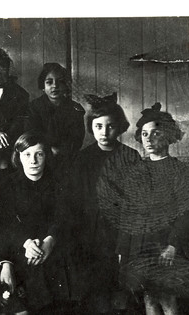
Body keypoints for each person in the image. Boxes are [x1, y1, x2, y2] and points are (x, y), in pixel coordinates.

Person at [98, 103, 189, 315]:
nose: (148, 138)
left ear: (169, 136)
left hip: (166, 245)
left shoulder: (180, 172)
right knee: (148, 296)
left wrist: (173, 244)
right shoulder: (136, 171)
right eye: (144, 133)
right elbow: (127, 213)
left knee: (166, 297)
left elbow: (188, 214)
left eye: (155, 133)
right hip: (139, 245)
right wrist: (122, 250)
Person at [71, 92, 142, 314]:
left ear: (120, 127)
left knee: (119, 289)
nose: (104, 132)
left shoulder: (131, 157)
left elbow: (136, 202)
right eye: (98, 126)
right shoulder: (83, 159)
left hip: (120, 231)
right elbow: (77, 199)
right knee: (94, 289)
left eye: (110, 126)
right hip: (89, 232)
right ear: (91, 127)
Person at [0, 132, 74, 313]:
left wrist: (50, 241)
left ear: (46, 156)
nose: (33, 160)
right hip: (20, 247)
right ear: (18, 156)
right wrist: (26, 243)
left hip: (52, 244)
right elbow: (6, 222)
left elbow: (63, 217)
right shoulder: (9, 184)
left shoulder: (58, 183)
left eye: (39, 154)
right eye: (27, 155)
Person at [25, 62, 85, 173]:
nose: (55, 86)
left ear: (66, 85)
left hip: (68, 158)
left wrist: (62, 150)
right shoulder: (34, 107)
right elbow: (32, 134)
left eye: (60, 82)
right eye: (49, 82)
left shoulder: (75, 109)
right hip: (41, 157)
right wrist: (49, 149)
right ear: (43, 86)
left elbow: (77, 139)